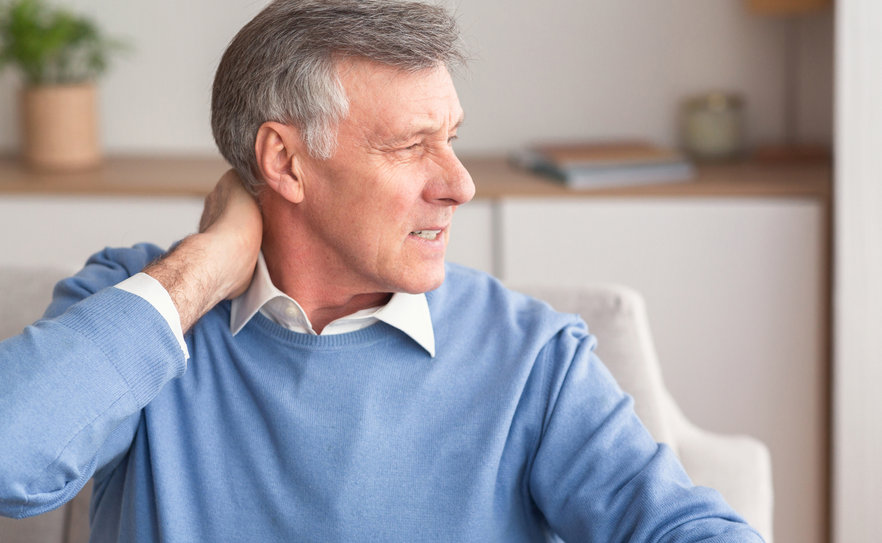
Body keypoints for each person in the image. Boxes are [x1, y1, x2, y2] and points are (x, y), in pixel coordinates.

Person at [0, 1, 764, 541]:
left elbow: (679, 526)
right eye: (410, 145)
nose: (459, 183)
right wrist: (206, 264)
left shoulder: (533, 355)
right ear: (285, 162)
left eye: (453, 138)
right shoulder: (142, 306)